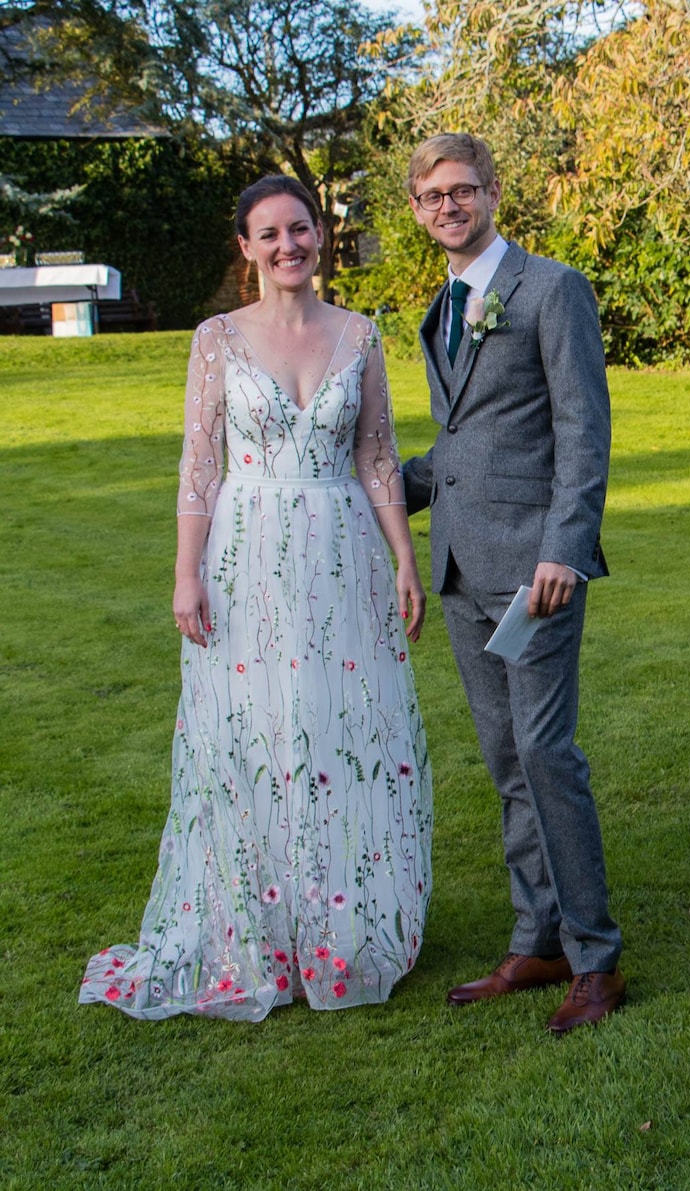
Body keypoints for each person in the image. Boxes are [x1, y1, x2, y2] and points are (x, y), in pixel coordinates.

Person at [79, 175, 432, 1021]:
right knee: (252, 730)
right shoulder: (217, 339)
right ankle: (255, 924)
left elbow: (378, 458)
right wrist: (185, 570)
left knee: (339, 724)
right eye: (268, 234)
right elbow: (199, 465)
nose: (287, 245)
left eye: (300, 229)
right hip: (249, 558)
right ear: (246, 247)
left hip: (341, 557)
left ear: (321, 237)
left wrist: (403, 558)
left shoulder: (359, 334)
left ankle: (340, 923)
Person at [402, 133, 624, 1033]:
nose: (448, 206)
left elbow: (583, 428)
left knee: (546, 755)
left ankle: (596, 957)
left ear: (493, 193)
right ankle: (536, 938)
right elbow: (460, 445)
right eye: (432, 196)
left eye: (463, 190)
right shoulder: (441, 306)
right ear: (417, 210)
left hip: (539, 572)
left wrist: (565, 550)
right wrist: (359, 478)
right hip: (461, 568)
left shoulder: (551, 288)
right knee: (505, 764)